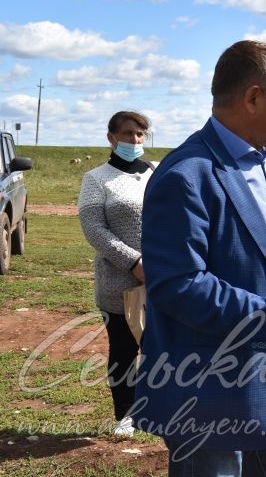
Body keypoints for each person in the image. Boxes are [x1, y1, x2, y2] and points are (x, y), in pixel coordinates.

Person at [135, 40, 266, 475]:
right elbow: (177, 284)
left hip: (264, 379)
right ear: (253, 97)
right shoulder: (186, 175)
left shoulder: (260, 162)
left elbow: (262, 252)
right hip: (208, 391)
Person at [78, 111, 154, 437]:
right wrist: (134, 263)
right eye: (127, 134)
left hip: (163, 281)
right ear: (111, 137)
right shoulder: (96, 179)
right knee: (124, 351)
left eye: (139, 134)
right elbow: (94, 229)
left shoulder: (158, 173)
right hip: (118, 284)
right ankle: (126, 413)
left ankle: (162, 410)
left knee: (165, 347)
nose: (134, 140)